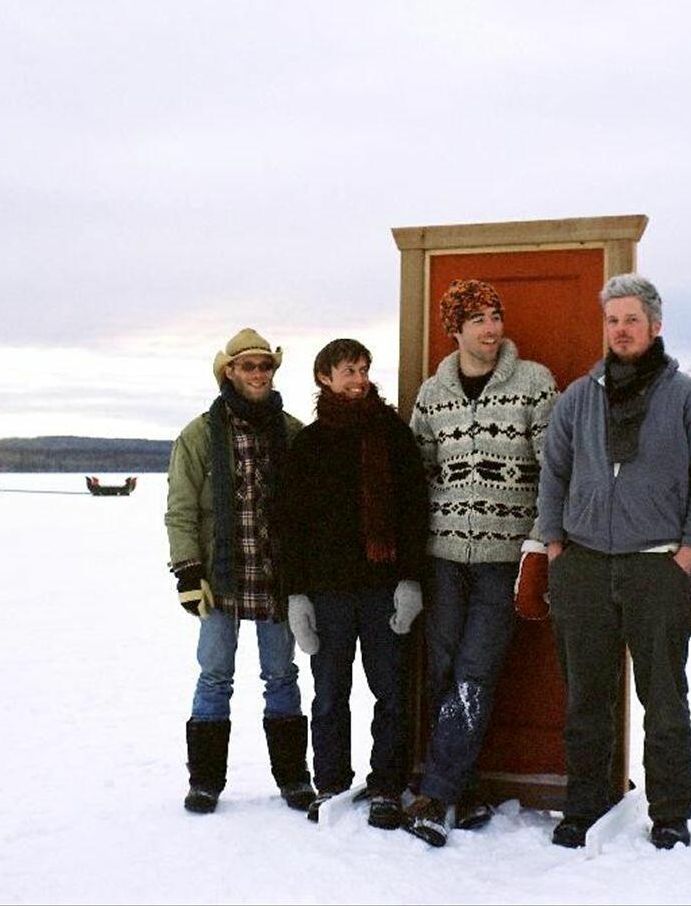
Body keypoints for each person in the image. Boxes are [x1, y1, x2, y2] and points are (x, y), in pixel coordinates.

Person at [538, 273, 691, 851]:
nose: (621, 330)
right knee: (586, 698)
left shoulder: (688, 399)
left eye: (632, 320)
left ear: (655, 325)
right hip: (585, 565)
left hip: (657, 567)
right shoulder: (578, 398)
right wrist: (555, 545)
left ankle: (670, 811)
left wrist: (688, 551)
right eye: (613, 320)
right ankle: (585, 805)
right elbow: (554, 473)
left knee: (664, 698)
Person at [404, 279, 558, 847]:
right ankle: (464, 788)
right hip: (442, 557)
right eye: (479, 320)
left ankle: (435, 796)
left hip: (503, 559)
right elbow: (416, 475)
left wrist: (539, 544)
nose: (492, 329)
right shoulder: (433, 394)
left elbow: (556, 469)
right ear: (456, 330)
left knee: (475, 673)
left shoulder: (534, 384)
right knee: (442, 671)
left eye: (496, 316)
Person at [280, 339, 429, 830]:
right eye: (349, 370)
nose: (360, 379)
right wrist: (297, 595)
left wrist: (410, 580)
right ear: (324, 377)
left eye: (364, 369)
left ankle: (387, 785)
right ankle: (332, 783)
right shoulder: (308, 444)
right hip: (328, 592)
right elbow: (291, 526)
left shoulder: (392, 435)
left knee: (391, 692)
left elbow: (414, 511)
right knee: (329, 695)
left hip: (383, 589)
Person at [165, 327, 315, 815]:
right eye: (248, 366)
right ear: (229, 372)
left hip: (275, 576)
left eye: (265, 365)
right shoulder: (198, 435)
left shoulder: (292, 433)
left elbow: (309, 511)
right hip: (220, 578)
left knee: (282, 676)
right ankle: (205, 782)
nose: (258, 374)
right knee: (214, 677)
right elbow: (181, 510)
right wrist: (189, 574)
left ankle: (294, 779)